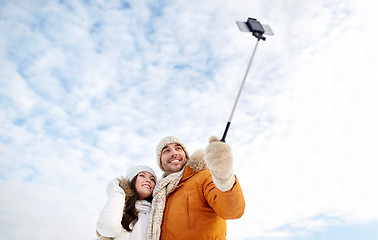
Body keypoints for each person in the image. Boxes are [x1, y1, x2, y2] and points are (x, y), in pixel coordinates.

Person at [147, 136, 245, 240]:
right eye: (166, 151)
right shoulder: (158, 197)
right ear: (161, 164)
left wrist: (223, 175)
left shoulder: (204, 177)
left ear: (186, 155)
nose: (173, 153)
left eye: (178, 148)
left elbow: (232, 211)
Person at [97, 165, 157, 240]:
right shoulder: (120, 208)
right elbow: (108, 227)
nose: (149, 180)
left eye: (153, 179)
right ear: (132, 180)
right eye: (142, 175)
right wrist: (117, 192)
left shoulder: (157, 213)